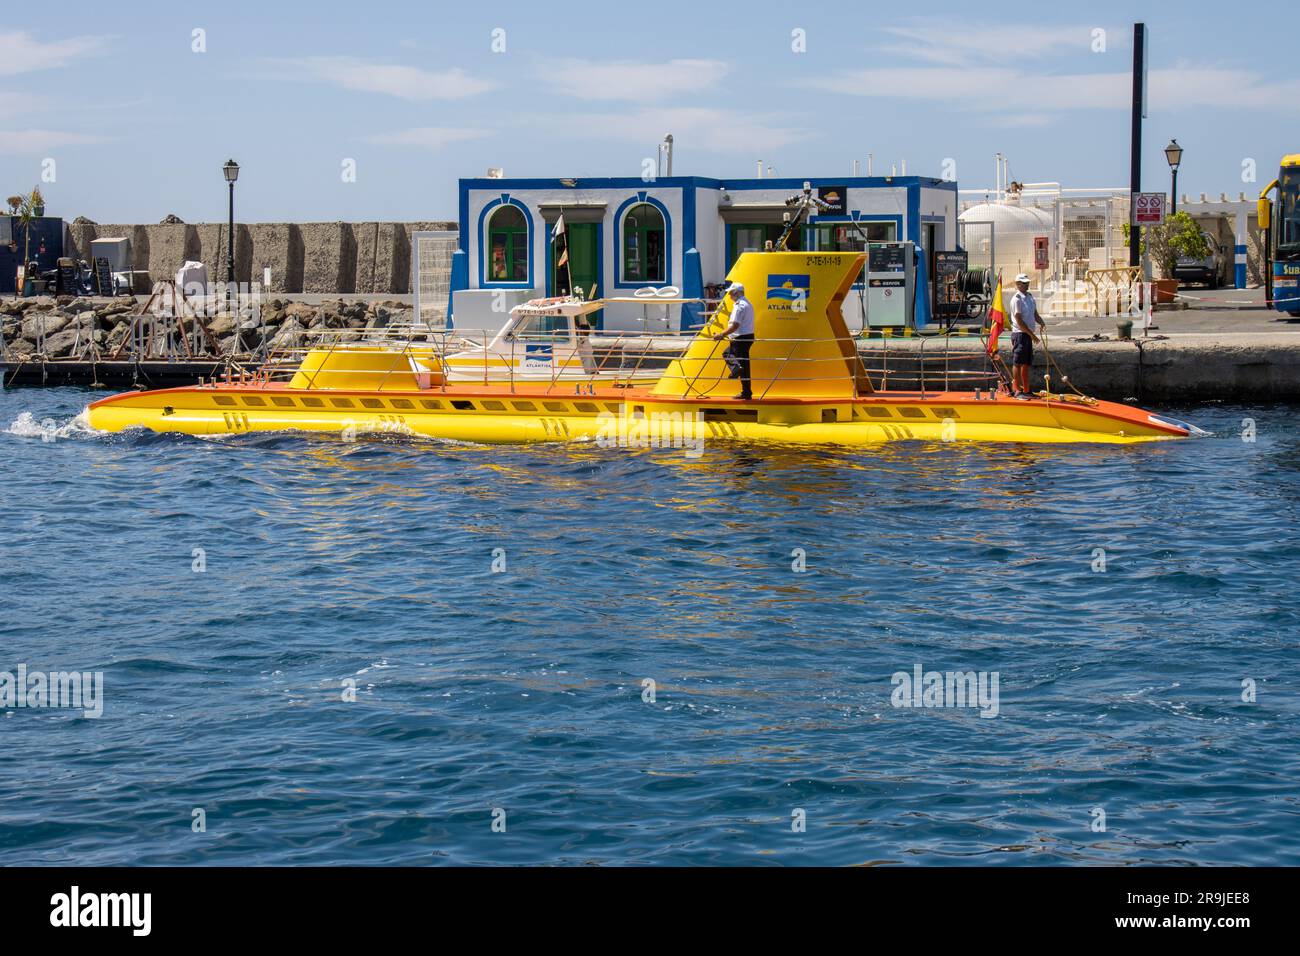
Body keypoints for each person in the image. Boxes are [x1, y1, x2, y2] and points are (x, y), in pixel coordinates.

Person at [712, 281, 755, 400]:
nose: (729, 296)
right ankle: (746, 392)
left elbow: (735, 325)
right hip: (748, 336)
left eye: (731, 293)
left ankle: (736, 369)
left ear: (736, 292)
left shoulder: (739, 305)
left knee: (727, 354)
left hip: (740, 338)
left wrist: (721, 334)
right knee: (744, 365)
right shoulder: (748, 304)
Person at [1009, 273, 1045, 400]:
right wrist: (1032, 335)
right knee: (1018, 362)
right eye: (1023, 283)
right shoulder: (1016, 299)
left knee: (1026, 363)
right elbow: (1019, 321)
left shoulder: (1029, 297)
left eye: (1027, 283)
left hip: (1027, 334)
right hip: (1020, 334)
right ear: (1017, 284)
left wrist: (1041, 322)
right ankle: (1017, 390)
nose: (1026, 285)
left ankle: (1027, 390)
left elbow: (1035, 314)